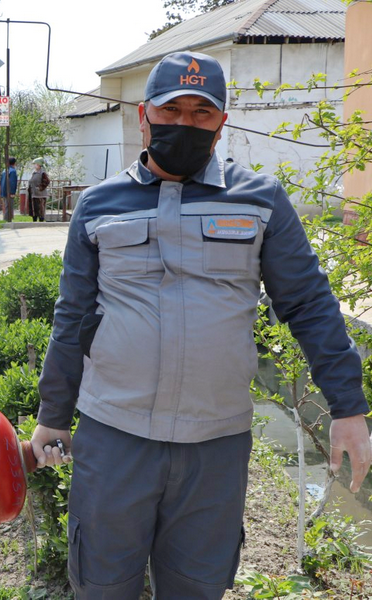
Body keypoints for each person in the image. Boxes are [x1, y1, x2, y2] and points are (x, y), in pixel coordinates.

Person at [31, 51, 372, 599]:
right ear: (145, 115)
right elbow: (73, 317)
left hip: (215, 444)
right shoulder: (98, 206)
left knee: (197, 586)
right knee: (102, 583)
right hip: (114, 436)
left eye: (201, 113)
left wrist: (349, 408)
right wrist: (52, 414)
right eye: (173, 110)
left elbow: (309, 304)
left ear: (221, 123)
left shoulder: (260, 200)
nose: (185, 124)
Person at [0, 157, 18, 222]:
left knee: (6, 206)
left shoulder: (5, 170)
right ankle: (7, 220)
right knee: (9, 207)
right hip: (9, 192)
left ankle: (6, 219)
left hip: (4, 191)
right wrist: (12, 192)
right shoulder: (12, 171)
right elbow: (12, 182)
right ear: (14, 163)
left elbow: (1, 181)